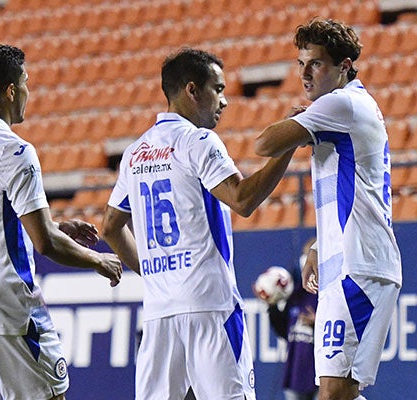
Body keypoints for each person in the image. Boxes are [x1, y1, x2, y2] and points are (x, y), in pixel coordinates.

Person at [101, 47, 296, 399]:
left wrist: (153, 272)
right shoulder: (198, 141)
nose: (224, 101)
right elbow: (243, 199)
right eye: (217, 89)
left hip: (160, 312)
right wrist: (288, 147)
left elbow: (111, 228)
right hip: (210, 306)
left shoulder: (135, 152)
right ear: (192, 90)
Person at [0, 44, 122, 400]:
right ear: (10, 90)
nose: (28, 92)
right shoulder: (14, 150)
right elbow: (45, 243)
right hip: (7, 313)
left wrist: (53, 224)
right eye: (26, 82)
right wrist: (100, 260)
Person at [255, 18, 402, 400]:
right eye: (300, 63)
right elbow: (348, 186)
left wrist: (293, 117)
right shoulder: (345, 106)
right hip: (349, 262)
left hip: (360, 265)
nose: (304, 73)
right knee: (339, 391)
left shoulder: (342, 104)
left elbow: (265, 144)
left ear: (344, 67)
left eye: (315, 63)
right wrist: (320, 247)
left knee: (334, 392)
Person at [262, 238, 318, 400]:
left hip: (320, 374)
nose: (305, 261)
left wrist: (317, 323)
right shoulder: (295, 295)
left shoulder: (327, 294)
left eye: (309, 255)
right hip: (296, 373)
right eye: (304, 255)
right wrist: (272, 306)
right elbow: (285, 331)